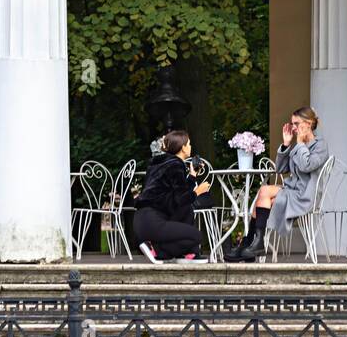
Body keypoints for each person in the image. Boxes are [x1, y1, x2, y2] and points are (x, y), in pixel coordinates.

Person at [225, 106, 329, 262]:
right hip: (293, 190)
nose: (293, 128)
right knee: (264, 197)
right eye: (292, 123)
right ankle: (251, 243)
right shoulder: (296, 146)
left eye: (296, 123)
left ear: (308, 123)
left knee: (264, 191)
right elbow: (280, 169)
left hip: (306, 195)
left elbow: (307, 166)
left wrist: (300, 144)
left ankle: (252, 243)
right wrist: (286, 144)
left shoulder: (320, 145)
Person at [131, 129, 212, 264]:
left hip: (142, 220)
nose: (191, 147)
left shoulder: (160, 163)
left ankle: (188, 253)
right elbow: (180, 199)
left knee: (187, 210)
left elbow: (177, 196)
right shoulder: (176, 165)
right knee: (197, 236)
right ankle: (157, 250)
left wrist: (192, 175)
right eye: (189, 144)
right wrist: (198, 191)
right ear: (183, 147)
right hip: (153, 221)